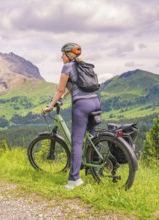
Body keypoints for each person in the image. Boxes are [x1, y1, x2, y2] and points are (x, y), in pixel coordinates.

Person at [43, 42, 101, 190]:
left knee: (77, 143)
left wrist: (50, 106)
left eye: (62, 54)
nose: (61, 57)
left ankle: (74, 179)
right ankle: (97, 170)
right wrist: (65, 96)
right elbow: (76, 85)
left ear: (68, 54)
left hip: (82, 106)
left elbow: (59, 89)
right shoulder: (84, 66)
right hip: (95, 102)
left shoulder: (67, 67)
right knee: (93, 138)